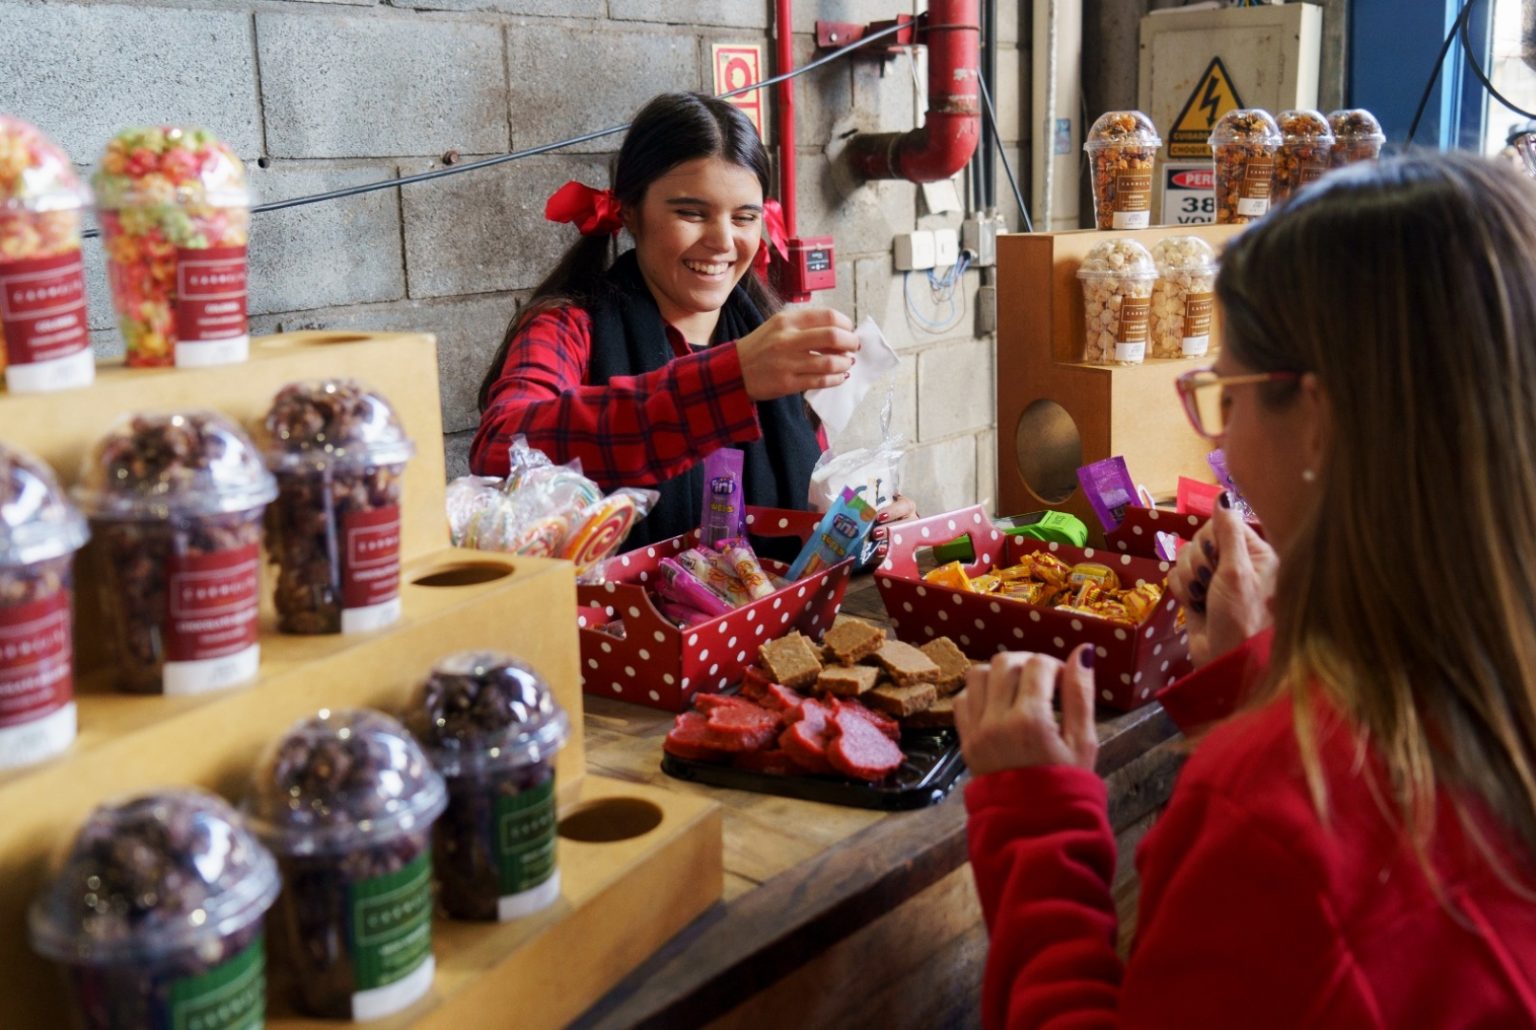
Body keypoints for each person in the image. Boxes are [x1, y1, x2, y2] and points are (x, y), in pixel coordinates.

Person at [954, 151, 1536, 1027]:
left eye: (1226, 392)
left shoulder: (1271, 821)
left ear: (1319, 418)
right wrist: (1258, 677)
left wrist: (1039, 828)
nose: (1216, 437)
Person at [471, 92, 913, 551]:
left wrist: (866, 523)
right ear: (629, 211)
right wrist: (730, 379)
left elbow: (813, 498)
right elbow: (501, 449)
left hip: (776, 619)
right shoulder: (569, 327)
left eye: (744, 217)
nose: (723, 241)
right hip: (626, 621)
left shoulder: (769, 337)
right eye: (691, 213)